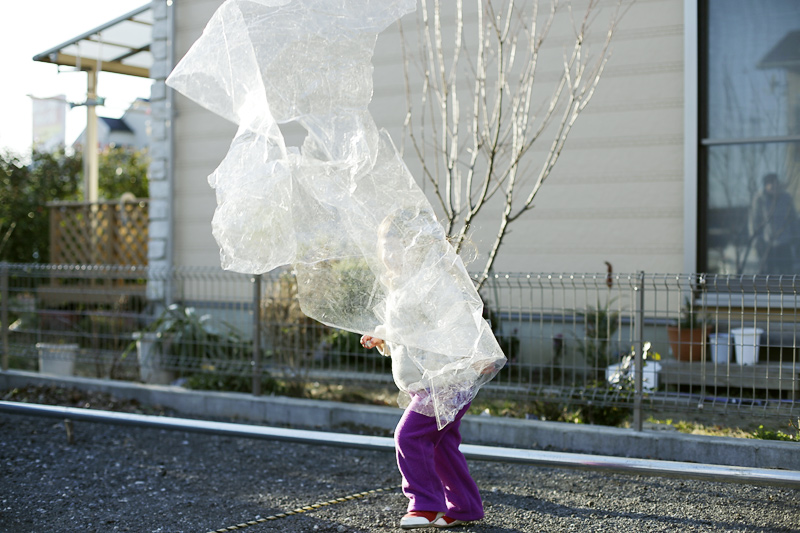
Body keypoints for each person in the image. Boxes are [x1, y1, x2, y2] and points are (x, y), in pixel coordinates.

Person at [360, 208, 502, 529]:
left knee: (408, 437)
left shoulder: (433, 281)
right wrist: (382, 334)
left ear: (419, 246)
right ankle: (464, 506)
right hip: (428, 383)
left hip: (448, 382)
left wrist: (476, 351)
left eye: (399, 244)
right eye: (386, 245)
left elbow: (457, 314)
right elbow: (409, 329)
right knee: (442, 447)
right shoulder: (403, 286)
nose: (390, 253)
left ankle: (425, 504)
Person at [749, 173, 799, 274]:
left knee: (787, 274)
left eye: (775, 183)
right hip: (767, 245)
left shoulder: (786, 198)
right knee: (768, 275)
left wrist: (796, 238)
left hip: (785, 243)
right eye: (770, 183)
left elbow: (793, 220)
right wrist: (757, 242)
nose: (773, 186)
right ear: (766, 185)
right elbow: (754, 222)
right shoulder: (759, 199)